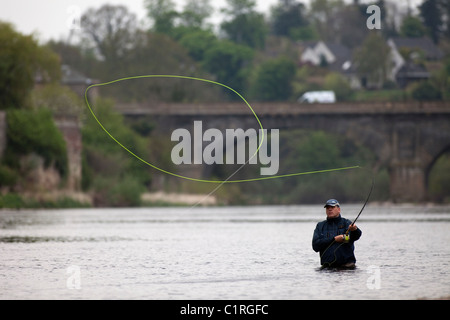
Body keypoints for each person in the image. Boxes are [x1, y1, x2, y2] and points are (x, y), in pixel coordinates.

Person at [312, 199, 362, 268]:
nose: (329, 209)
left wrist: (355, 230)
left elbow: (355, 237)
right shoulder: (320, 226)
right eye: (327, 208)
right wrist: (334, 239)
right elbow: (315, 246)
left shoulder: (346, 223)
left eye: (332, 207)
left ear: (339, 209)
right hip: (327, 268)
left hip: (347, 267)